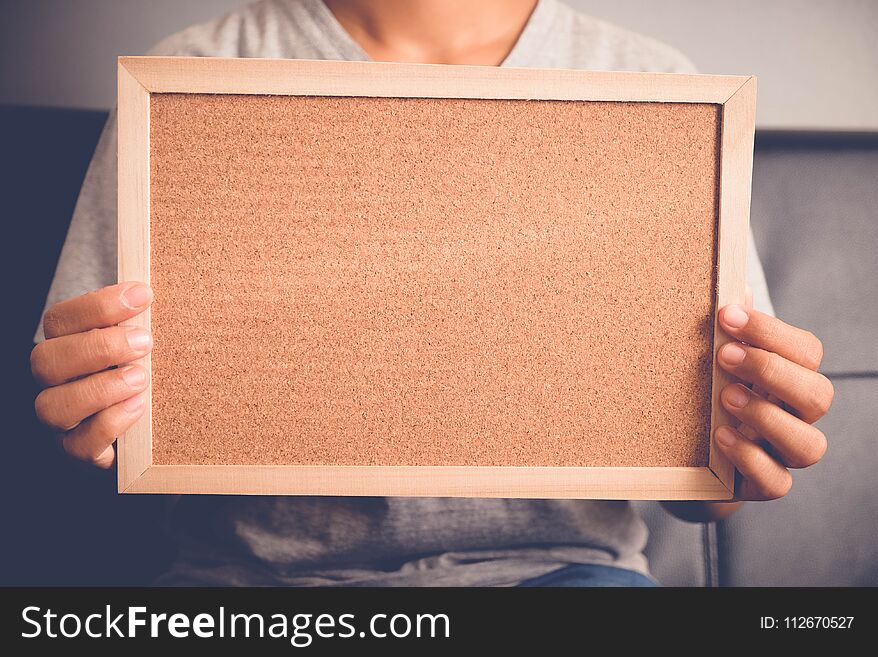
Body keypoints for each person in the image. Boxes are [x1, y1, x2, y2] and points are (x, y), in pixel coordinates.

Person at [30, 0, 833, 586]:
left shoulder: (659, 91)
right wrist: (91, 409)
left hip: (565, 575)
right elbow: (89, 424)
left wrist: (739, 455)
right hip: (245, 583)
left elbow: (711, 472)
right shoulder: (188, 84)